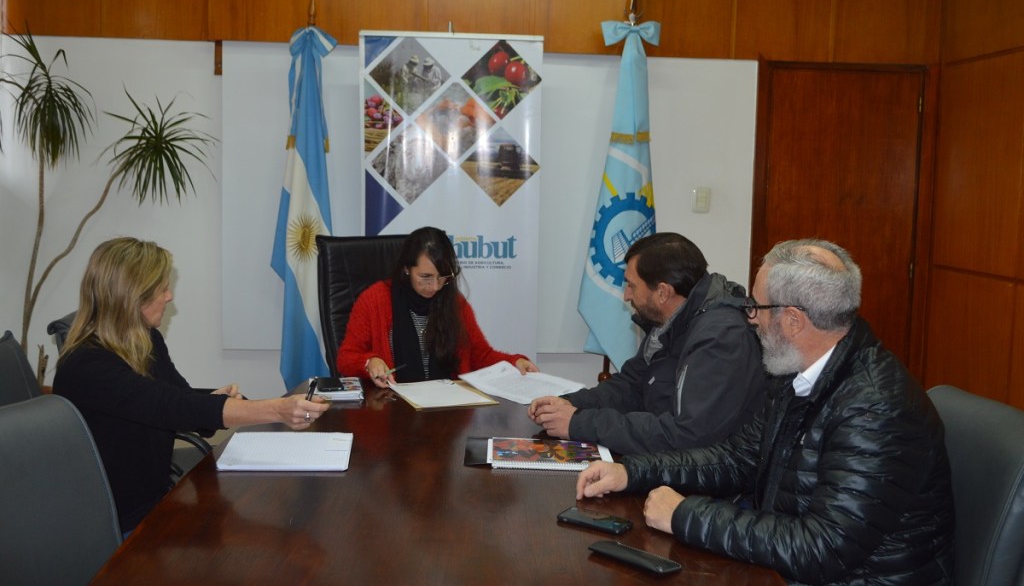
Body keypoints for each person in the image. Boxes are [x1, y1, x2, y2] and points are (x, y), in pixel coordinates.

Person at [576, 239, 955, 585]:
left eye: (755, 305)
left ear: (793, 320)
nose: (749, 316)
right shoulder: (795, 372)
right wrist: (632, 472)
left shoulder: (876, 410)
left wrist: (686, 516)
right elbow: (736, 457)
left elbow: (822, 549)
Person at [53, 237, 329, 533]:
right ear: (133, 298)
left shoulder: (145, 339)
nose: (170, 296)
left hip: (156, 500)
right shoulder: (86, 366)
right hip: (118, 522)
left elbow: (175, 396)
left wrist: (213, 398)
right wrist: (277, 409)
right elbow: (169, 406)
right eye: (162, 288)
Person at [529, 232, 765, 455]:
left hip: (712, 482)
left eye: (632, 285)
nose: (626, 295)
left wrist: (579, 422)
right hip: (669, 462)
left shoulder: (722, 338)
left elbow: (688, 435)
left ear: (663, 292)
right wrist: (568, 404)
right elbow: (633, 385)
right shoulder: (671, 319)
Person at [336, 226, 538, 387]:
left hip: (447, 413)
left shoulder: (455, 303)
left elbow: (480, 354)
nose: (434, 286)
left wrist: (515, 362)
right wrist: (369, 362)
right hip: (393, 410)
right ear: (407, 269)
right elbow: (345, 358)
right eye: (425, 277)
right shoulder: (376, 300)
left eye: (442, 278)